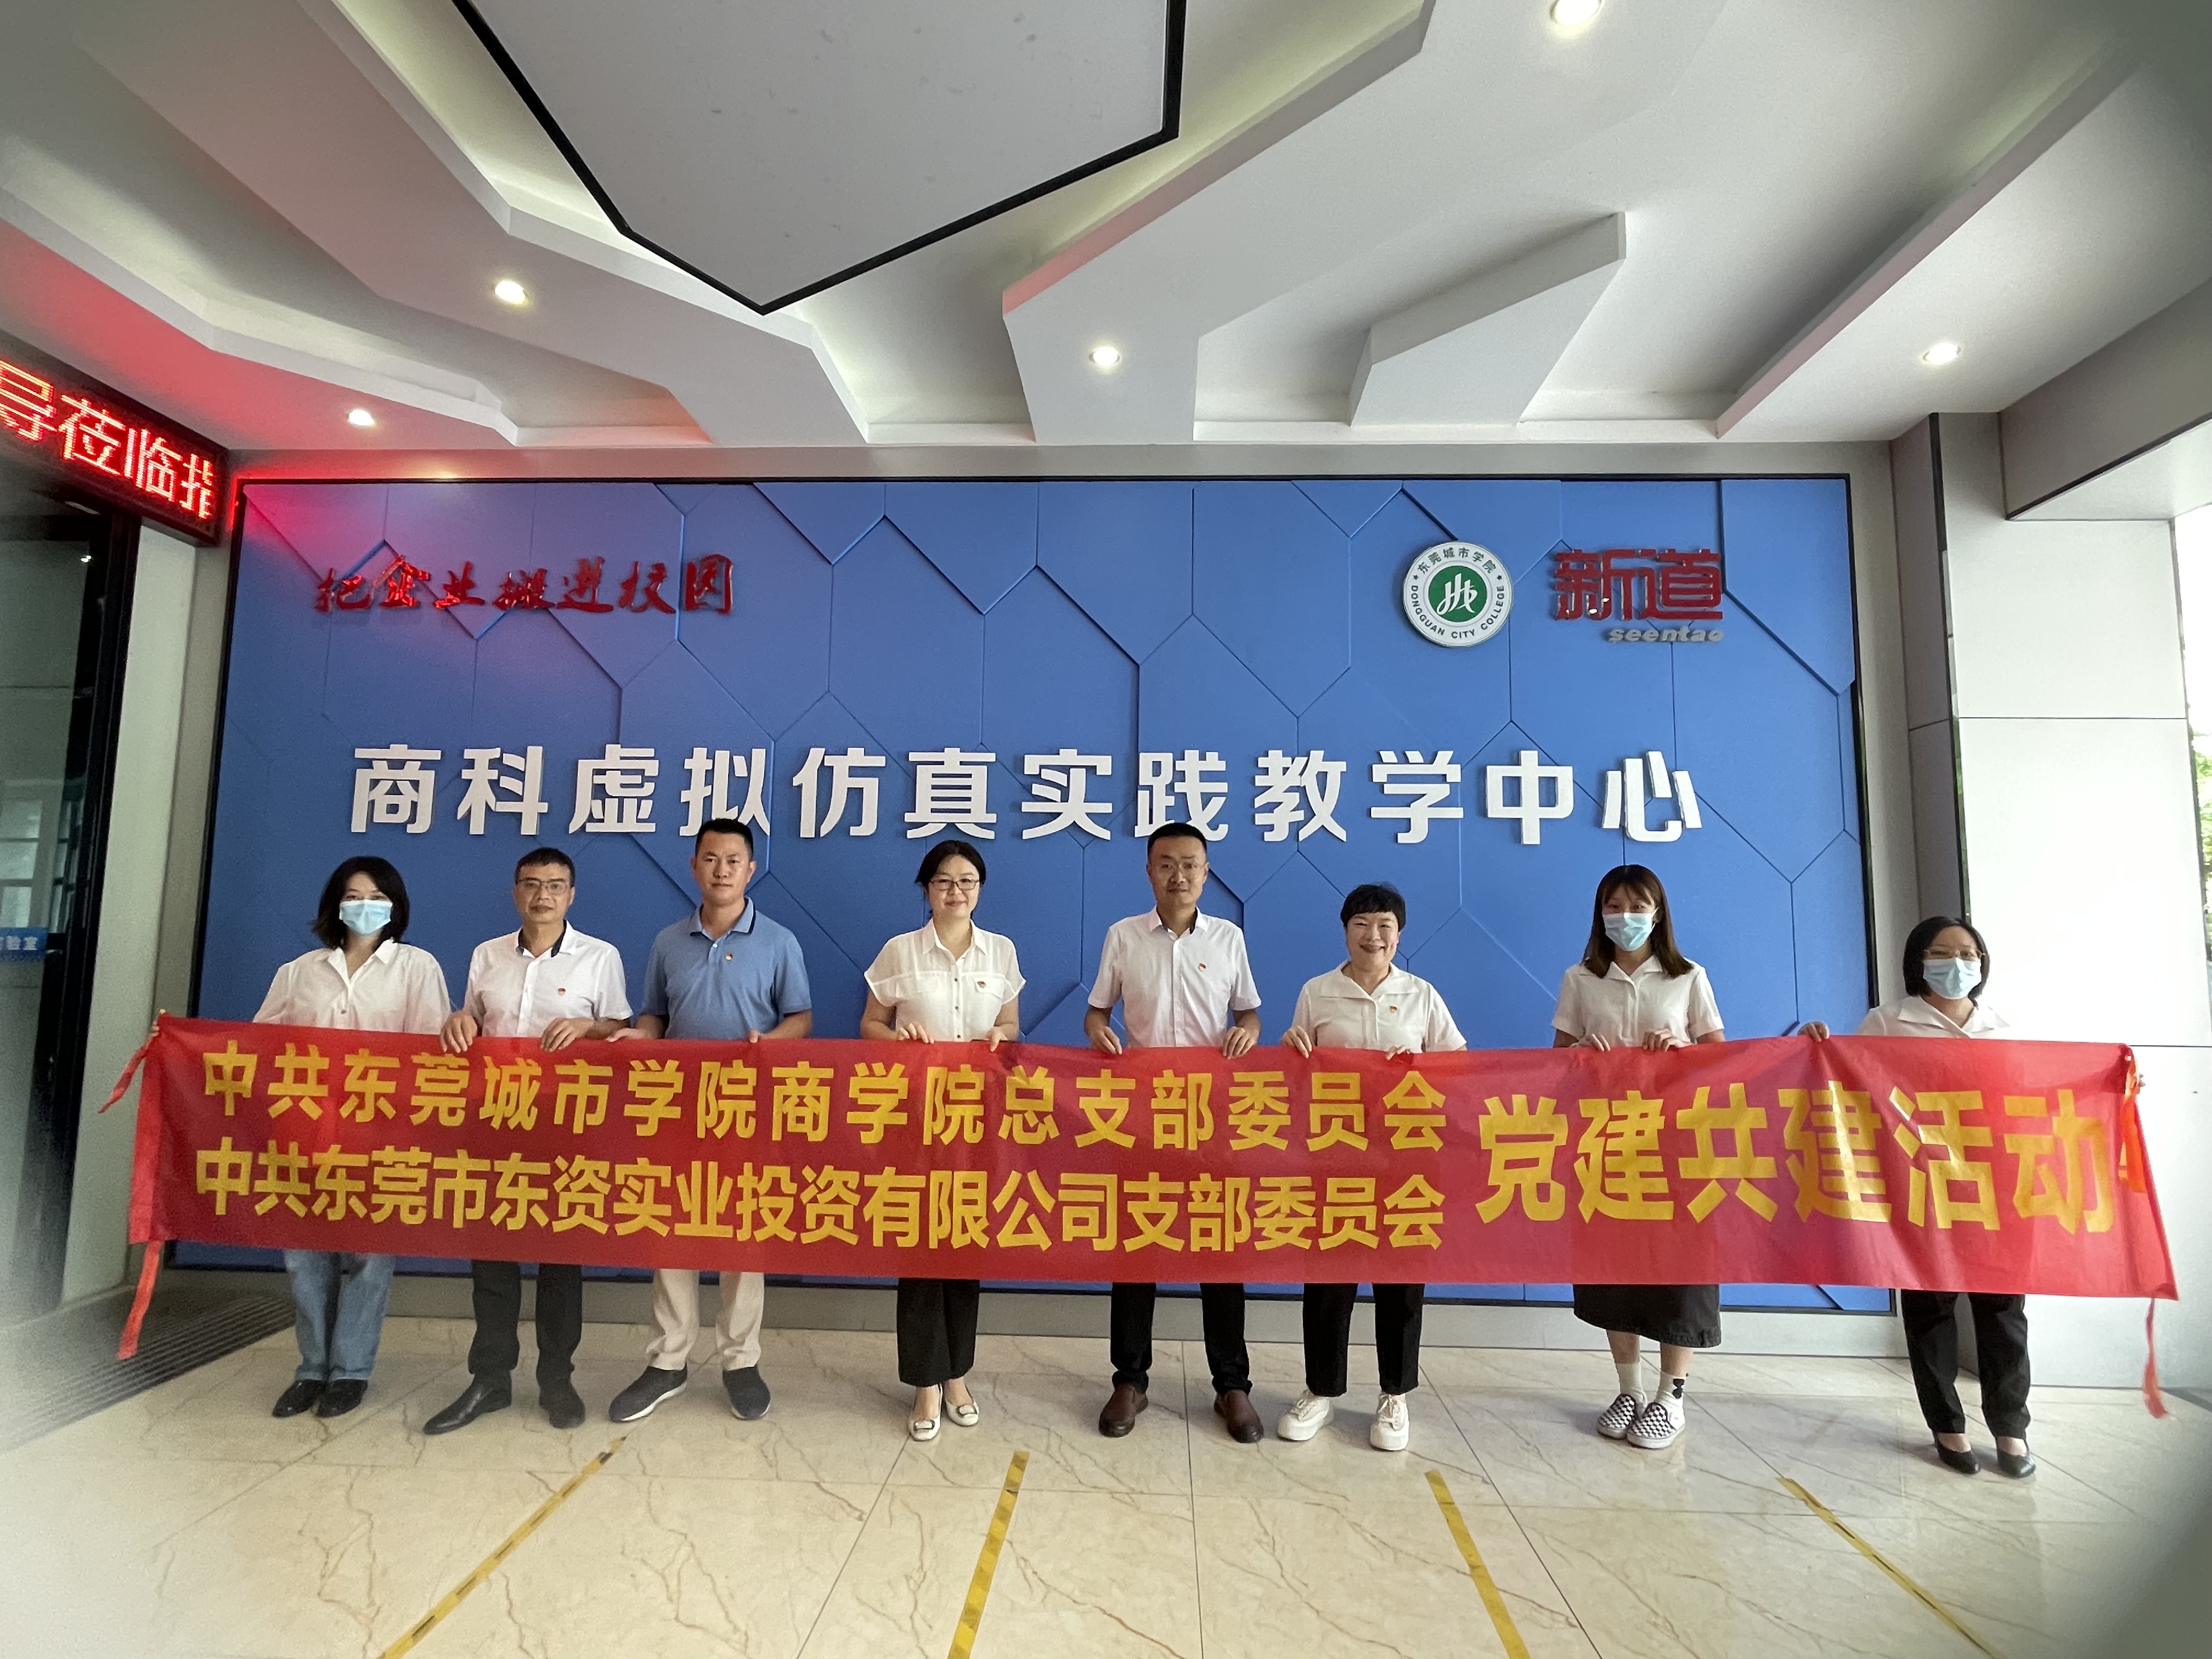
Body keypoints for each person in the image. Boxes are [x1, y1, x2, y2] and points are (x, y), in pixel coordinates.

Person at [1801, 916, 2033, 1477]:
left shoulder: (2004, 1026)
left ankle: (2011, 1426)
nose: (1958, 963)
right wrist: (1817, 1047)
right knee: (1931, 1306)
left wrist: (2114, 1085)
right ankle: (1947, 1424)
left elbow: (2037, 1097)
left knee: (2004, 1309)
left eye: (1969, 954)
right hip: (1920, 1183)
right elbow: (1845, 1082)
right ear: (1918, 961)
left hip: (1991, 1187)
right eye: (1942, 952)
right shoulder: (1888, 1022)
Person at [605, 819, 811, 1424]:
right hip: (676, 1105)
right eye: (711, 858)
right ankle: (668, 1360)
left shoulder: (779, 941)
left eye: (734, 860)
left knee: (743, 1232)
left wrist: (768, 1044)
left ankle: (740, 1362)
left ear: (751, 870)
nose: (722, 870)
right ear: (694, 866)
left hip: (747, 1108)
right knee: (671, 1227)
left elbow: (801, 1018)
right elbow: (654, 1015)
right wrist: (640, 1037)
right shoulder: (668, 941)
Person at [425, 847, 631, 1435]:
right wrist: (458, 1020)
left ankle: (556, 1380)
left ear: (572, 895)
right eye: (533, 884)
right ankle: (489, 1379)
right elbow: (471, 1022)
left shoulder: (600, 957)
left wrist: (591, 1027)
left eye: (556, 885)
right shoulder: (486, 955)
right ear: (516, 891)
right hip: (493, 1122)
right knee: (491, 1257)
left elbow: (622, 1030)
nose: (544, 895)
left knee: (561, 1260)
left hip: (567, 1127)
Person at [1086, 822, 1263, 1442]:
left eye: (1190, 864)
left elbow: (1249, 1012)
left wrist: (1246, 1033)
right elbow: (1096, 1011)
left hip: (1213, 1116)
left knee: (1220, 1248)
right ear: (1149, 871)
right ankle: (1130, 1380)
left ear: (1206, 873)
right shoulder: (1123, 936)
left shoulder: (1229, 938)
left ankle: (1232, 1385)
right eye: (1166, 864)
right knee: (1137, 1246)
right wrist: (1098, 1033)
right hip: (1142, 1115)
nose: (1179, 875)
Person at [255, 856, 449, 1419]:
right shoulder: (300, 971)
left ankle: (351, 1370)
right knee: (305, 1254)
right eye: (354, 896)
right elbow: (257, 1044)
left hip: (379, 1134)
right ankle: (311, 1368)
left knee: (369, 1256)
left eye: (377, 897)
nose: (365, 906)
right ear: (335, 905)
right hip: (306, 1131)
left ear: (395, 907)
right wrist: (181, 1038)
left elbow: (428, 1055)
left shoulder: (416, 967)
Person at [1277, 883, 1464, 1453]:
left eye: (1384, 925)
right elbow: (1298, 1075)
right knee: (1329, 1278)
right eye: (1361, 924)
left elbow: (1458, 1066)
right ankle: (1320, 1390)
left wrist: (1420, 1068)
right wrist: (1291, 1050)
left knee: (1401, 1280)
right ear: (1345, 931)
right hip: (1335, 1157)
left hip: (1407, 1159)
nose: (1373, 935)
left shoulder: (1421, 995)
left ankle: (1395, 1394)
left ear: (1399, 935)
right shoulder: (1317, 992)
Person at [1551, 864, 1725, 1451]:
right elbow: (1556, 1062)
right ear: (1600, 913)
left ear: (1658, 913)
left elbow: (1719, 1059)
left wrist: (1682, 1051)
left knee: (1680, 1270)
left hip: (1676, 1145)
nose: (1624, 917)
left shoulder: (1688, 976)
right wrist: (1583, 1052)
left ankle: (1671, 1396)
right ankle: (1628, 1388)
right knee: (1615, 1267)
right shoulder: (1581, 978)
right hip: (1607, 1142)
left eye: (1636, 906)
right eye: (1614, 906)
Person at [859, 839, 1023, 1441]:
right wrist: (898, 1041)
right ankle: (926, 1383)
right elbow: (869, 1024)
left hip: (977, 1121)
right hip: (915, 1120)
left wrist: (1002, 1037)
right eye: (945, 881)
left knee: (965, 1243)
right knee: (921, 1247)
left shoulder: (1001, 951)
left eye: (967, 881)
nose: (957, 891)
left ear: (980, 888)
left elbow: (1011, 1024)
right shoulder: (900, 950)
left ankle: (958, 1374)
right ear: (926, 888)